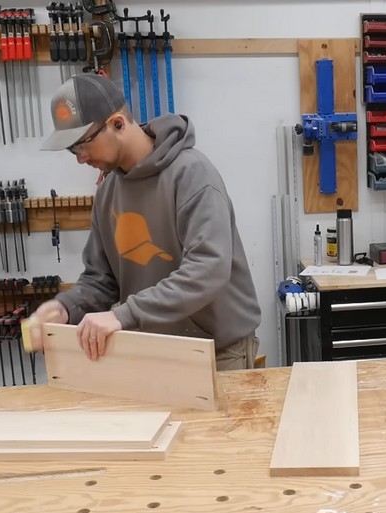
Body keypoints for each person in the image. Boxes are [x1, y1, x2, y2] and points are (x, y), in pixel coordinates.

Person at [28, 73, 262, 371]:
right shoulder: (108, 192)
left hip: (217, 353)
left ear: (117, 123)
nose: (80, 158)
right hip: (152, 351)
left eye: (82, 144)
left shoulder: (192, 175)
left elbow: (208, 268)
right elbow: (101, 279)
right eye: (72, 149)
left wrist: (123, 315)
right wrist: (64, 307)